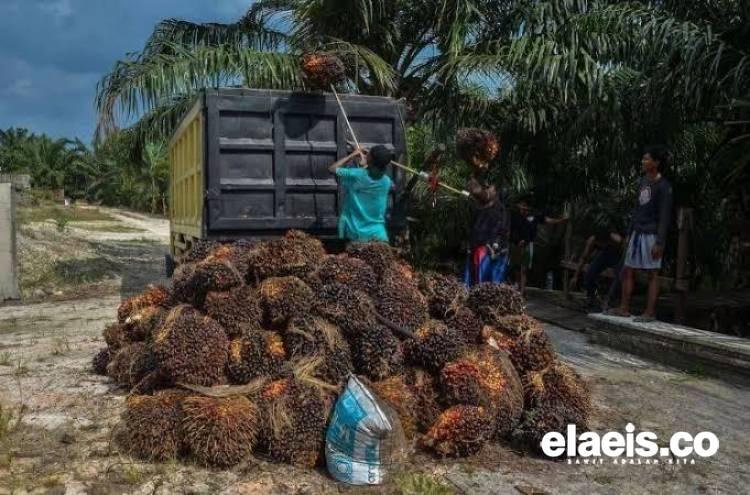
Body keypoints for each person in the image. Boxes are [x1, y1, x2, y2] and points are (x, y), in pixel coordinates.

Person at [609, 146, 674, 322]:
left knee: (653, 273)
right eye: (643, 159)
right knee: (628, 269)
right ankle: (624, 307)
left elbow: (665, 216)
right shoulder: (642, 182)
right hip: (637, 231)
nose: (643, 162)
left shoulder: (663, 186)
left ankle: (649, 312)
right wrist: (629, 232)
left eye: (647, 159)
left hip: (652, 233)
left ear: (656, 163)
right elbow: (636, 210)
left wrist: (660, 242)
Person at [329, 145, 393, 243]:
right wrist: (367, 164)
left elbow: (332, 169)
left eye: (368, 154)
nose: (366, 154)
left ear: (371, 160)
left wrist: (353, 154)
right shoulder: (387, 182)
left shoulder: (357, 175)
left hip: (357, 234)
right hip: (379, 236)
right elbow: (369, 178)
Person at [463, 156, 510, 287]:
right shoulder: (480, 207)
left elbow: (501, 232)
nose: (487, 188)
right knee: (474, 284)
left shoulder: (500, 210)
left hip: (490, 252)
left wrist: (494, 246)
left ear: (496, 193)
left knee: (487, 286)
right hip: (477, 249)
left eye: (491, 188)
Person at [510, 195, 568, 296]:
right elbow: (511, 231)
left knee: (524, 269)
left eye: (525, 208)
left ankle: (522, 292)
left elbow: (548, 220)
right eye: (521, 208)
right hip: (516, 245)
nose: (523, 210)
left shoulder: (535, 217)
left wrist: (561, 220)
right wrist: (516, 241)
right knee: (516, 269)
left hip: (528, 245)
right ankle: (518, 288)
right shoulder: (515, 217)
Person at [570, 225, 624, 310]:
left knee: (620, 275)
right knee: (589, 274)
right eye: (599, 244)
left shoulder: (616, 238)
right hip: (604, 255)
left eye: (602, 244)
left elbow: (624, 245)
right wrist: (575, 276)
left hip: (618, 255)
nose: (600, 245)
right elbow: (584, 257)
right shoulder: (592, 241)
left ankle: (609, 300)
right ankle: (591, 297)